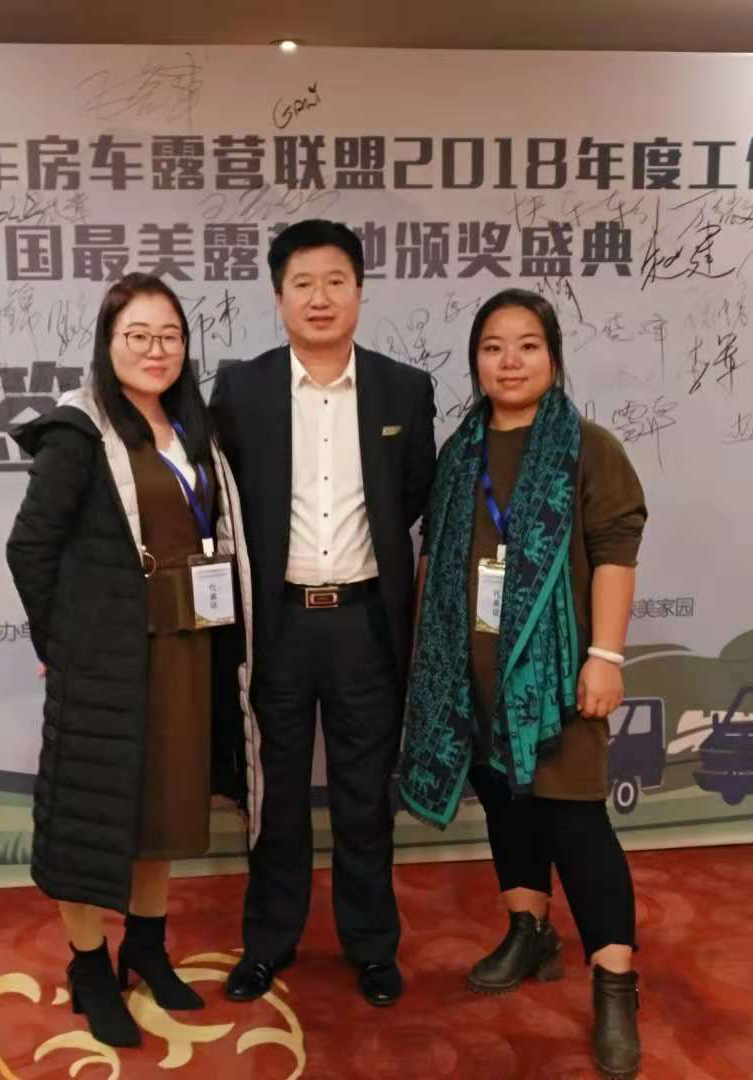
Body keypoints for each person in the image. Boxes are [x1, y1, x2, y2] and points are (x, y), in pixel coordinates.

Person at [399, 289, 648, 1079]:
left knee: (576, 824)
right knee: (508, 807)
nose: (510, 361)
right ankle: (528, 932)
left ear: (554, 356)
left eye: (528, 345)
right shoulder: (459, 453)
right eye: (493, 347)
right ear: (476, 360)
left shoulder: (588, 448)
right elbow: (437, 563)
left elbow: (615, 555)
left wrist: (604, 656)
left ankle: (614, 985)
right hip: (471, 678)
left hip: (559, 680)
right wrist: (429, 665)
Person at [6, 272, 258, 1048]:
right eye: (138, 335)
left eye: (170, 335)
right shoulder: (78, 433)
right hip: (108, 663)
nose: (156, 350)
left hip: (188, 652)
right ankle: (89, 967)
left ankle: (146, 947)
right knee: (88, 822)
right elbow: (29, 547)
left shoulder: (193, 429)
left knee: (165, 811)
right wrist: (58, 644)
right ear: (107, 343)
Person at [210, 219, 436, 1007]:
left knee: (364, 799)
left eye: (335, 281)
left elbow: (413, 496)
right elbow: (222, 499)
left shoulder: (403, 389)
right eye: (302, 283)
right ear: (279, 299)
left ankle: (371, 945)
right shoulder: (241, 391)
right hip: (276, 625)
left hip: (365, 623)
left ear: (360, 293)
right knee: (275, 800)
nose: (319, 297)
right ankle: (269, 942)